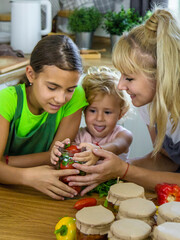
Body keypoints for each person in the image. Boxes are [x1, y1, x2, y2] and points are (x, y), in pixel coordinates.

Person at [65, 6, 180, 196]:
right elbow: (166, 160)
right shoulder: (148, 103)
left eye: (129, 78)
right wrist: (109, 169)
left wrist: (125, 170)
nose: (120, 86)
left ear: (160, 75)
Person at [0, 35, 88, 200]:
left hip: (41, 190)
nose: (61, 99)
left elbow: (56, 157)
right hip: (8, 192)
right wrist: (27, 176)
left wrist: (7, 162)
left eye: (69, 89)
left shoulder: (76, 97)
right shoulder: (7, 100)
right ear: (31, 74)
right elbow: (49, 157)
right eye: (52, 87)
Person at [50, 66, 133, 166]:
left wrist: (97, 150)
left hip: (116, 181)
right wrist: (59, 151)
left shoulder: (123, 135)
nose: (99, 118)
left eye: (107, 112)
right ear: (84, 111)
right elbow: (68, 157)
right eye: (92, 111)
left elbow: (117, 146)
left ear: (121, 114)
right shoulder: (78, 136)